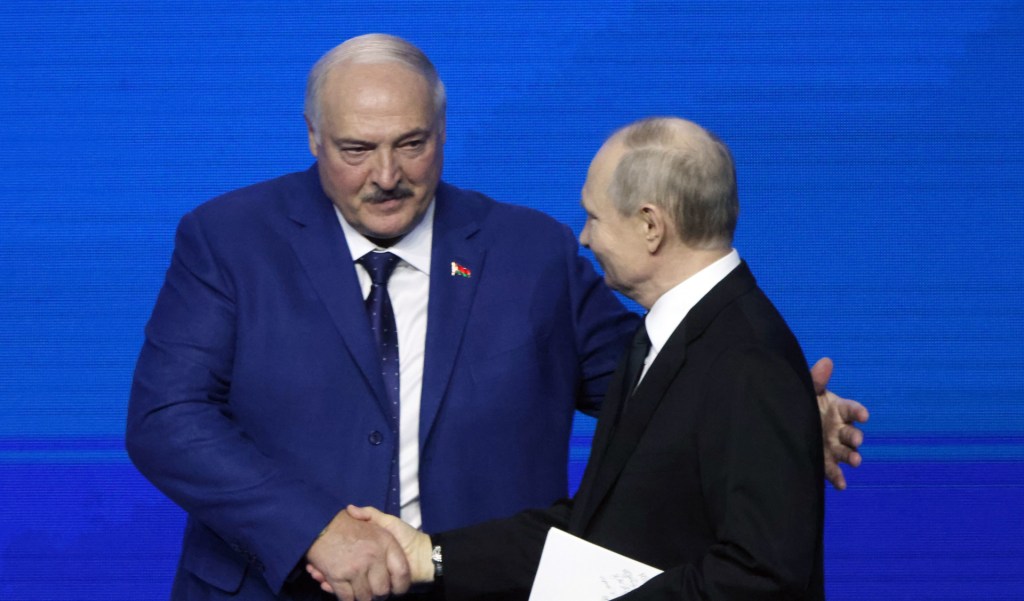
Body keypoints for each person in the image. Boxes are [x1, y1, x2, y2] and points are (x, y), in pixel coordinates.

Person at [126, 34, 866, 601]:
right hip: (275, 585)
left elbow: (659, 386)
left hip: (479, 585)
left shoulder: (532, 251)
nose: (386, 175)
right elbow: (166, 417)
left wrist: (777, 412)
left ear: (443, 131)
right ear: (313, 137)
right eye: (356, 150)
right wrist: (313, 531)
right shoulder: (227, 239)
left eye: (411, 145)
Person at [334, 116, 829, 600]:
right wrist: (431, 555)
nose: (585, 238)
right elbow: (594, 528)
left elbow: (762, 578)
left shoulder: (747, 360)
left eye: (594, 217)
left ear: (650, 226)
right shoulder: (665, 345)